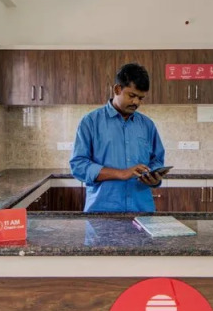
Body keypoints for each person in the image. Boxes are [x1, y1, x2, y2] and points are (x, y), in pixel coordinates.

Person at [70, 63, 166, 212]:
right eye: (132, 96)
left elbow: (157, 160)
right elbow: (78, 166)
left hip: (142, 211)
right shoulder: (90, 122)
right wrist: (121, 173)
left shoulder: (147, 125)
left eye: (140, 98)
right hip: (102, 213)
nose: (136, 102)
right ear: (117, 89)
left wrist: (153, 177)